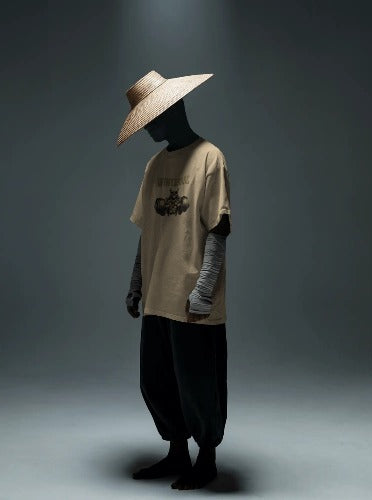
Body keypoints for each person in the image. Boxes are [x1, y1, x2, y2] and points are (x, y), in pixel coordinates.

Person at [117, 70, 232, 490]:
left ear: (172, 110)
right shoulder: (155, 165)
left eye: (151, 120)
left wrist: (203, 291)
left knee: (198, 382)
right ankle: (177, 452)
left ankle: (207, 459)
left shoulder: (210, 158)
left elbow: (218, 230)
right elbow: (148, 230)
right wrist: (136, 283)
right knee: (157, 380)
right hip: (157, 296)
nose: (148, 129)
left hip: (192, 299)